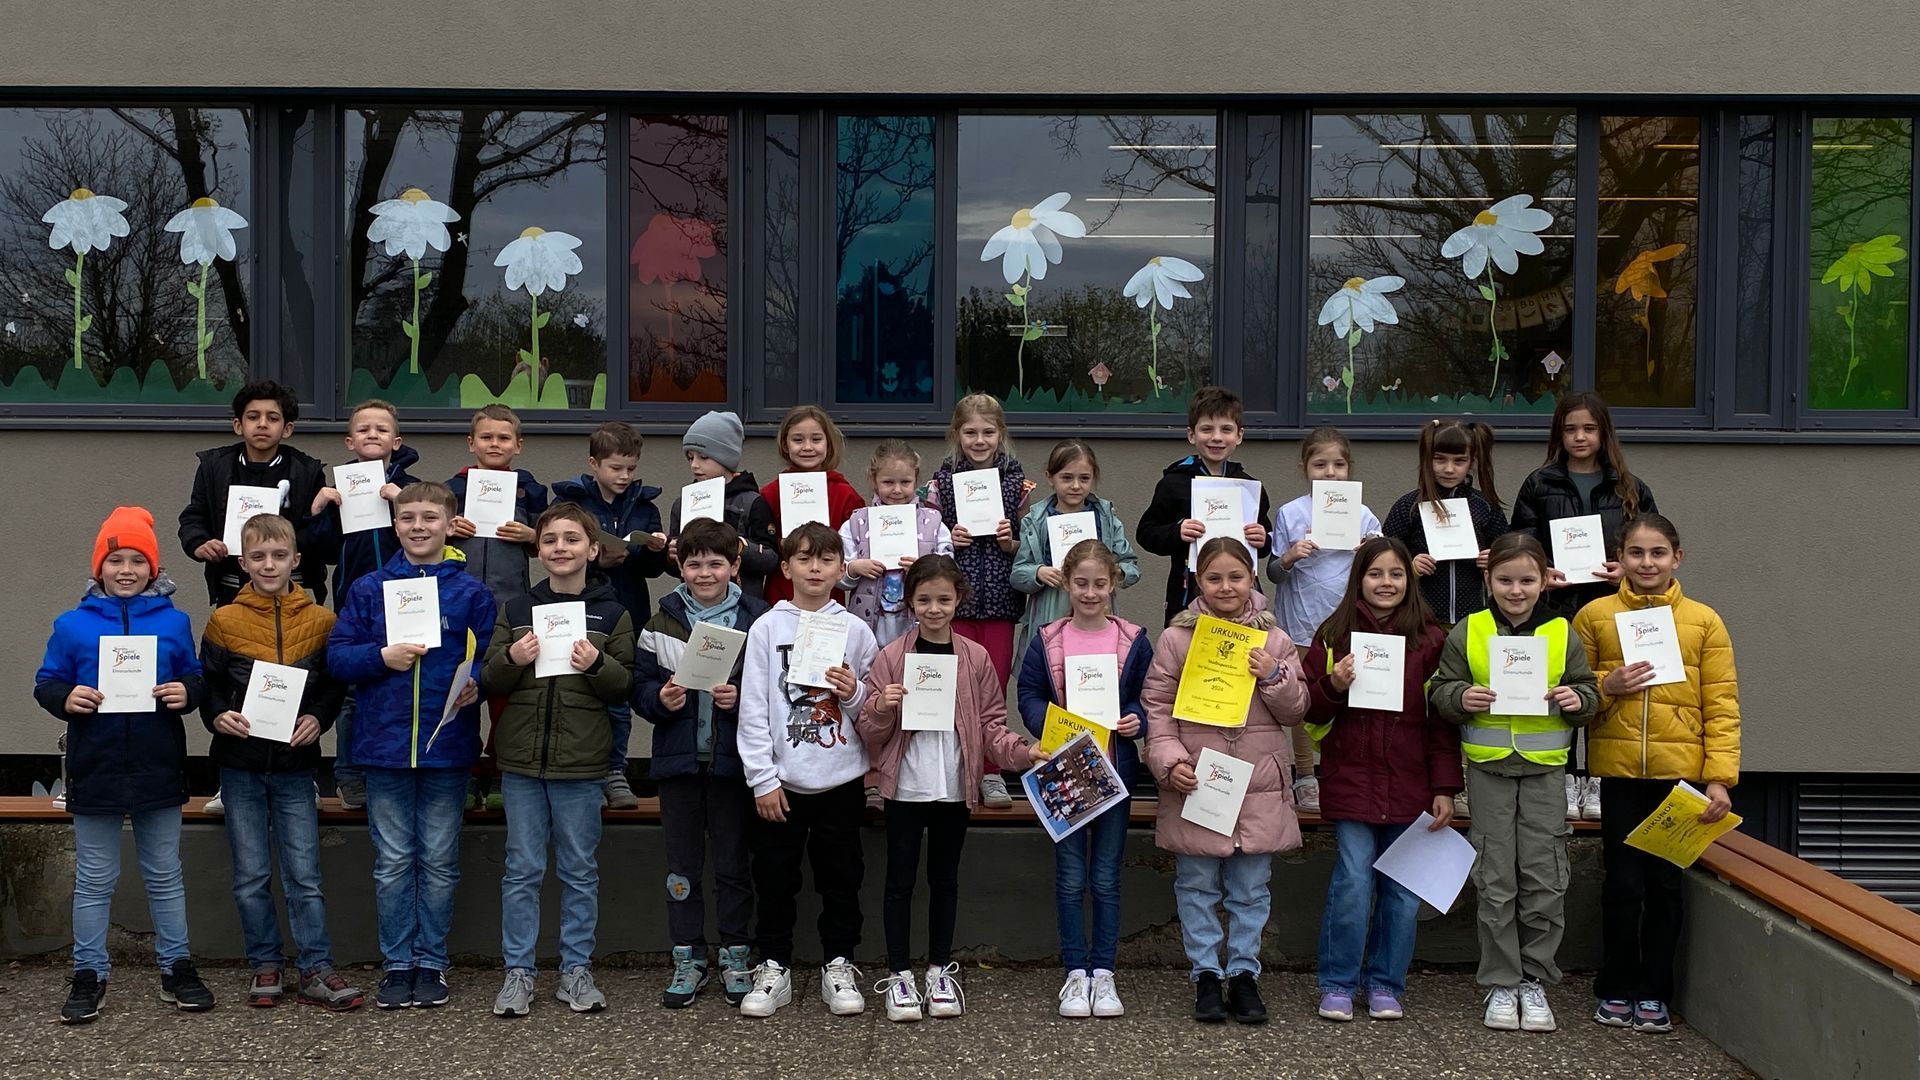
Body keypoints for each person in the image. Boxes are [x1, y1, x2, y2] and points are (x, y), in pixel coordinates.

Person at [37, 506, 211, 1023]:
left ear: (154, 568)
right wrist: (66, 697)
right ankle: (89, 972)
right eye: (116, 560)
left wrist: (188, 692)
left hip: (158, 761)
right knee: (95, 878)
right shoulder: (71, 624)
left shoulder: (175, 622)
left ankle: (176, 967)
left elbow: (195, 676)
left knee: (165, 874)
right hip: (97, 763)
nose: (127, 570)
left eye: (138, 560)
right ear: (99, 568)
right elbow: (47, 681)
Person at [326, 481, 495, 1011]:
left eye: (429, 517)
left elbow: (492, 657)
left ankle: (432, 962)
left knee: (440, 861)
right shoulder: (368, 588)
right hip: (384, 747)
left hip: (447, 745)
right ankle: (397, 964)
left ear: (450, 524)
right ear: (394, 525)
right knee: (394, 861)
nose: (418, 526)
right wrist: (381, 657)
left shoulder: (472, 593)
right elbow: (338, 658)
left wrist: (478, 682)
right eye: (408, 518)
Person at [1574, 514, 1738, 1036]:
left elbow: (1722, 704)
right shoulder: (1595, 615)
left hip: (1680, 778)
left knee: (1665, 886)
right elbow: (1574, 690)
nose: (1647, 563)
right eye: (1637, 553)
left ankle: (1654, 992)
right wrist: (1609, 685)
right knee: (1623, 884)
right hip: (1619, 774)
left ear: (1677, 558)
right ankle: (1615, 986)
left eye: (1658, 553)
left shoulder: (1704, 621)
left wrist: (1719, 779)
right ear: (1619, 559)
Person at [1431, 532, 1598, 1033]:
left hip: (1545, 772)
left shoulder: (1563, 631)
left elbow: (1589, 693)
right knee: (1496, 879)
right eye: (1505, 580)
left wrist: (1577, 701)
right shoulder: (1469, 630)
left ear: (1545, 581)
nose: (1516, 590)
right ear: (1489, 580)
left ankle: (1534, 979)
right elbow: (1439, 690)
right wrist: (1461, 697)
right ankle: (1502, 982)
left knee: (1544, 877)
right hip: (1489, 771)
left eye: (1527, 580)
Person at [858, 555, 1032, 1023]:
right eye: (924, 600)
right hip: (904, 786)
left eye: (943, 599)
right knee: (899, 881)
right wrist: (881, 706)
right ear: (910, 602)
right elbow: (869, 731)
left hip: (954, 786)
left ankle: (938, 971)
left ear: (958, 601)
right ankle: (899, 975)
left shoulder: (974, 657)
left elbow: (992, 724)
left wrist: (1023, 752)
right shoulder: (892, 656)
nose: (934, 609)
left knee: (945, 880)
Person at [1142, 537, 1307, 1026]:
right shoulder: (1177, 639)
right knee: (1196, 885)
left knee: (1251, 889)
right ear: (1197, 581)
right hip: (1199, 779)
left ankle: (1244, 973)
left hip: (1258, 782)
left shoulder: (1275, 640)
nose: (1226, 586)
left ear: (1252, 577)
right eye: (1214, 578)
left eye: (1236, 576)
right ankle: (1206, 975)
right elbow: (1157, 708)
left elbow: (1297, 710)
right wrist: (1169, 762)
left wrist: (1273, 675)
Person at [198, 513, 360, 1011]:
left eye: (279, 556)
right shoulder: (224, 620)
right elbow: (208, 684)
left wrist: (318, 718)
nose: (269, 564)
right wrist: (217, 716)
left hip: (295, 766)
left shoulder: (322, 621)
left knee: (304, 877)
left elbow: (334, 685)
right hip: (240, 766)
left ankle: (316, 968)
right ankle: (265, 963)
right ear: (243, 563)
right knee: (250, 876)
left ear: (297, 560)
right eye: (258, 557)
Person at [481, 504, 635, 1018]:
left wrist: (597, 663)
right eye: (550, 540)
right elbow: (490, 679)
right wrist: (512, 658)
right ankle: (518, 972)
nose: (560, 548)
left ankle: (576, 970)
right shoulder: (517, 609)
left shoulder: (612, 614)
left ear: (592, 550)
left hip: (582, 764)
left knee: (578, 871)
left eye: (572, 539)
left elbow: (624, 686)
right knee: (522, 871)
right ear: (538, 550)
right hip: (523, 763)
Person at [1304, 537, 1454, 1024]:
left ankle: (1386, 983)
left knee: (1403, 893)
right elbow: (1308, 710)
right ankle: (1338, 983)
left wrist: (1445, 787)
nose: (1385, 583)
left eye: (1396, 574)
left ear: (1410, 580)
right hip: (1351, 779)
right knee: (1352, 880)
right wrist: (1334, 685)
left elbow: (1442, 722)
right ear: (1358, 580)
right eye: (1375, 573)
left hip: (1411, 784)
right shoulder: (1333, 634)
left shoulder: (1431, 640)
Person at [734, 522, 879, 1018]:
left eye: (825, 560)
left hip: (840, 778)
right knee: (774, 877)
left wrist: (853, 693)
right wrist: (762, 779)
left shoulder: (856, 630)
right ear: (786, 567)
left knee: (842, 877)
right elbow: (754, 708)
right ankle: (774, 965)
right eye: (804, 558)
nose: (815, 568)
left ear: (841, 569)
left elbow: (873, 712)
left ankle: (839, 963)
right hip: (781, 782)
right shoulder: (766, 628)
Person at [633, 518, 771, 1009]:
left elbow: (774, 688)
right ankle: (688, 956)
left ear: (735, 565)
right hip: (679, 765)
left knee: (733, 865)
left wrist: (741, 698)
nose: (705, 573)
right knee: (682, 868)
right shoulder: (660, 622)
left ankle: (736, 954)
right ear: (679, 566)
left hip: (733, 764)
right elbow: (639, 686)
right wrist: (659, 699)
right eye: (694, 564)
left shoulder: (758, 620)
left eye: (716, 563)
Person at [1015, 539, 1152, 1019]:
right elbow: (1029, 693)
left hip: (1114, 774)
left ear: (1114, 584)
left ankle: (1104, 972)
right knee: (1072, 878)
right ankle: (1076, 972)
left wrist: (1136, 719)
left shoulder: (1133, 639)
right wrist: (1051, 725)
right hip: (1066, 774)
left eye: (1099, 584)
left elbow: (1147, 696)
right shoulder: (1048, 638)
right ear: (1066, 585)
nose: (1090, 593)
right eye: (1081, 584)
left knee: (1107, 878)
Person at [1510, 391, 1659, 824]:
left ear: (1603, 433)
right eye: (1571, 429)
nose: (1580, 437)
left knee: (1605, 687)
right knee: (1563, 687)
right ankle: (1565, 776)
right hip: (1556, 605)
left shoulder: (1630, 487)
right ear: (1558, 434)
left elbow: (1651, 541)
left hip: (1613, 607)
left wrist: (1627, 570)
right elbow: (1522, 539)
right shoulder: (1539, 484)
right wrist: (1540, 570)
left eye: (1589, 429)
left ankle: (1595, 778)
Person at [309, 398, 421, 811]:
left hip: (407, 602)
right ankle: (349, 775)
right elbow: (322, 551)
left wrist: (403, 502)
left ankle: (395, 770)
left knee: (402, 687)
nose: (372, 434)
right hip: (354, 603)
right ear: (349, 441)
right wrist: (319, 511)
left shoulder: (414, 489)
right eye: (363, 429)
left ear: (397, 441)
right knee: (352, 693)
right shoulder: (338, 489)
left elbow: (430, 538)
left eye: (381, 429)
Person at [550, 421, 669, 811]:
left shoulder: (646, 506)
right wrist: (598, 559)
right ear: (594, 463)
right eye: (616, 467)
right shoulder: (573, 502)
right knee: (576, 688)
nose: (624, 476)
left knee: (619, 691)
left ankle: (615, 769)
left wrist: (652, 551)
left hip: (629, 611)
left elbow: (654, 570)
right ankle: (580, 768)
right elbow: (556, 548)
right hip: (580, 607)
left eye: (631, 468)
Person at [926, 393, 1032, 808]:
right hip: (954, 603)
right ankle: (953, 767)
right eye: (970, 432)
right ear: (957, 434)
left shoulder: (1017, 484)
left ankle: (991, 771)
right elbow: (928, 539)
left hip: (1001, 603)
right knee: (950, 685)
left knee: (993, 687)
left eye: (988, 432)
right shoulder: (940, 483)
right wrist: (948, 537)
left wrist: (1011, 543)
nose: (979, 440)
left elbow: (1030, 546)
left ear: (1000, 433)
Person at [1267, 426, 1381, 813]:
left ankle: (1344, 772)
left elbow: (1381, 569)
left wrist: (1370, 551)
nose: (1330, 472)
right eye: (1320, 464)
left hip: (1348, 626)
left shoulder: (1362, 514)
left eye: (1338, 465)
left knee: (1348, 698)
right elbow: (1273, 573)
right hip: (1300, 624)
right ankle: (1305, 775)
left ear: (1349, 468)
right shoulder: (1291, 513)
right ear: (1304, 468)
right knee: (1303, 701)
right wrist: (1290, 556)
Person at [447, 404, 548, 811]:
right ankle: (468, 770)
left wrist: (532, 535)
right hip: (461, 605)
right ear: (471, 442)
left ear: (518, 445)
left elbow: (553, 541)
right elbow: (426, 536)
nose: (494, 444)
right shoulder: (452, 488)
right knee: (463, 688)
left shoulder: (531, 489)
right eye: (486, 437)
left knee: (507, 692)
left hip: (511, 606)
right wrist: (447, 529)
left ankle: (501, 768)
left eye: (503, 438)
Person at [178, 379, 334, 607]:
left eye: (273, 418)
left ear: (287, 428)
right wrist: (199, 542)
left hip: (291, 588)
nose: (262, 424)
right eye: (253, 417)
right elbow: (194, 516)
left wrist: (283, 544)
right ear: (238, 425)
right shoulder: (214, 467)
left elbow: (319, 537)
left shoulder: (307, 471)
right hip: (232, 589)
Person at [1134, 386, 1273, 627]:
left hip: (1239, 597)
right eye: (1207, 429)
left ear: (1239, 435)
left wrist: (1263, 539)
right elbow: (1146, 533)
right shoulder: (1173, 483)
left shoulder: (1249, 487)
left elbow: (1264, 543)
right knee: (1186, 647)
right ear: (1191, 434)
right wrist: (1177, 531)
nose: (1216, 437)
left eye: (1226, 429)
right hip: (1188, 593)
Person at [1010, 439, 1140, 664]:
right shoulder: (1036, 521)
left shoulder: (1106, 519)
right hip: (1050, 609)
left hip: (1097, 608)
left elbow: (1132, 567)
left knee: (1093, 668)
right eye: (1067, 478)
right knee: (1052, 667)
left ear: (1093, 478)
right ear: (1050, 477)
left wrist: (1114, 572)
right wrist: (1038, 573)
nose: (1076, 486)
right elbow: (1018, 574)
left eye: (1084, 478)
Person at [1381, 419, 1509, 627]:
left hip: (1474, 617)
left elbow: (1509, 550)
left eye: (1459, 461)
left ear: (1472, 462)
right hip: (1420, 619)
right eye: (1440, 459)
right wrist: (1410, 566)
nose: (1449, 469)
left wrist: (1495, 559)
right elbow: (1384, 555)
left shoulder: (1485, 505)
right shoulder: (1409, 506)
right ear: (1427, 459)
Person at [839, 439, 953, 648]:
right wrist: (854, 568)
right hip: (869, 623)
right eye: (888, 482)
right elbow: (837, 575)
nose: (897, 490)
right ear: (874, 480)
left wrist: (924, 569)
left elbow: (948, 569)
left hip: (918, 622)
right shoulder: (857, 523)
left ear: (916, 480)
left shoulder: (933, 522)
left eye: (905, 482)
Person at [759, 405, 865, 606]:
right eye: (798, 440)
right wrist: (779, 545)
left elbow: (854, 549)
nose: (807, 447)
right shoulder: (769, 494)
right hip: (782, 591)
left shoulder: (846, 495)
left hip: (827, 594)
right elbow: (762, 546)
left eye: (816, 439)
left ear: (828, 444)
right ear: (785, 445)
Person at [667, 410, 780, 599]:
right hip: (694, 605)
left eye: (703, 457)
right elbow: (675, 569)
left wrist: (741, 547)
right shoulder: (683, 503)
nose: (694, 465)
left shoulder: (751, 502)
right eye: (690, 458)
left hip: (742, 604)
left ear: (726, 457)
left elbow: (770, 560)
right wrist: (670, 554)